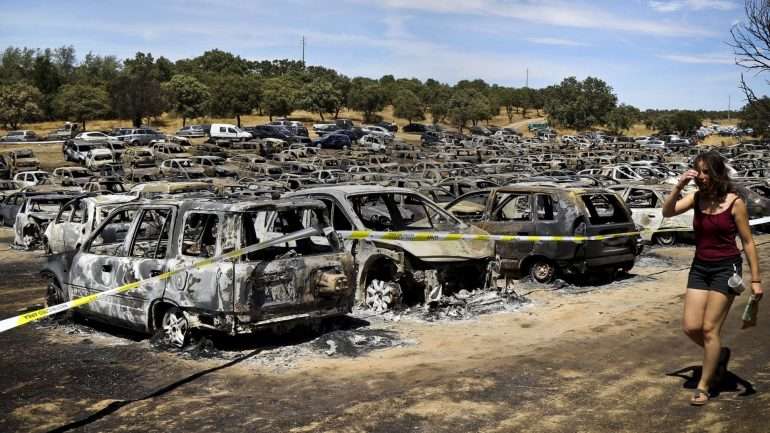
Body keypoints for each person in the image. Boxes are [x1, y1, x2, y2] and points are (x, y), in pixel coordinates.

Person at [662, 151, 763, 405]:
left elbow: (749, 242)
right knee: (690, 326)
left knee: (709, 328)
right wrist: (679, 185)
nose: (702, 177)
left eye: (706, 172)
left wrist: (756, 280)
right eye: (698, 171)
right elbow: (668, 211)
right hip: (700, 267)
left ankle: (705, 385)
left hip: (726, 269)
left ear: (717, 172)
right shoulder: (695, 198)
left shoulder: (734, 202)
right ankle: (717, 354)